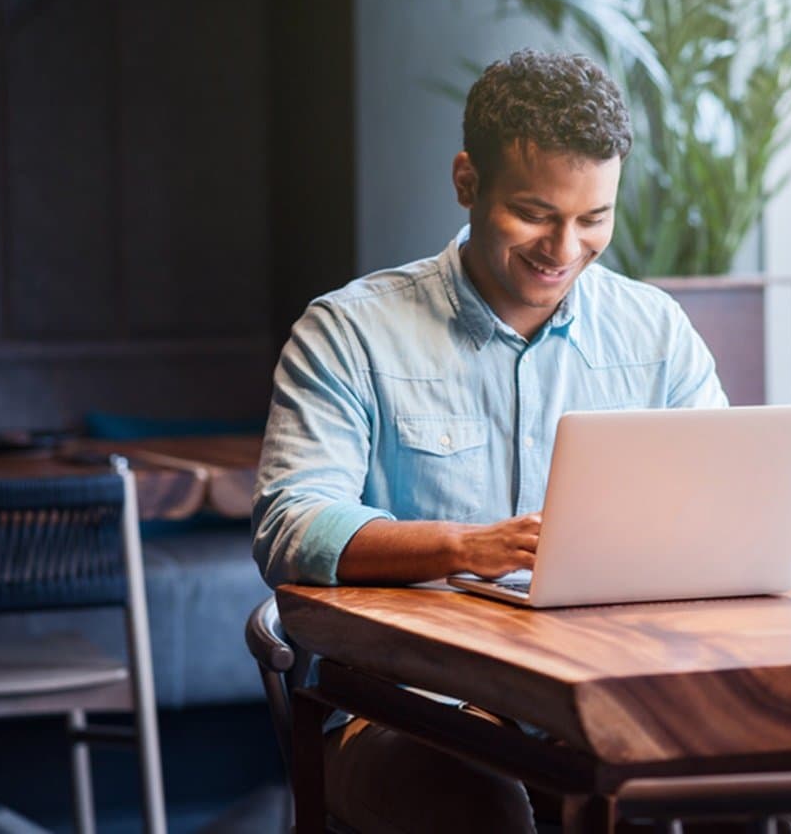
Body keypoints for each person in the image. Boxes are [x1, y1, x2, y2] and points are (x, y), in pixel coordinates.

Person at [252, 48, 727, 833]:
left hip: (612, 696)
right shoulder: (351, 331)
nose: (564, 248)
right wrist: (467, 547)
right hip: (401, 709)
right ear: (467, 181)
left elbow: (726, 504)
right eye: (536, 213)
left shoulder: (655, 332)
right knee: (483, 809)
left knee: (748, 795)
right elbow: (292, 524)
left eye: (593, 219)